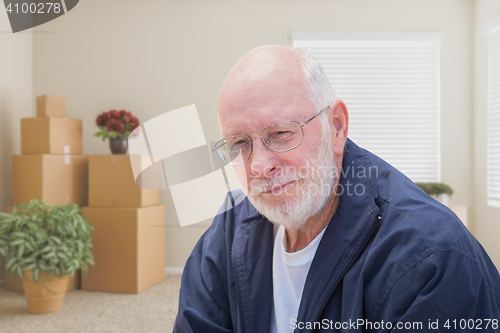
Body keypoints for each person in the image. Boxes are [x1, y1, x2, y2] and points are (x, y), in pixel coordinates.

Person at [173, 45, 500, 332]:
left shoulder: (431, 260)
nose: (259, 165)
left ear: (337, 126)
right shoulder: (228, 233)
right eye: (238, 143)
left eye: (282, 133)